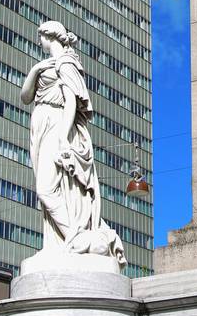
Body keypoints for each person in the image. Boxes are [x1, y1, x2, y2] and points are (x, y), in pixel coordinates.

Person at [20, 20, 125, 265]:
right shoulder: (46, 65)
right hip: (41, 126)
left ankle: (76, 237)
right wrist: (36, 70)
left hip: (56, 125)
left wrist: (62, 136)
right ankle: (62, 242)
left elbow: (71, 102)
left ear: (49, 36)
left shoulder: (66, 63)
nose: (39, 41)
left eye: (41, 36)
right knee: (47, 187)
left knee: (46, 189)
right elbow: (25, 97)